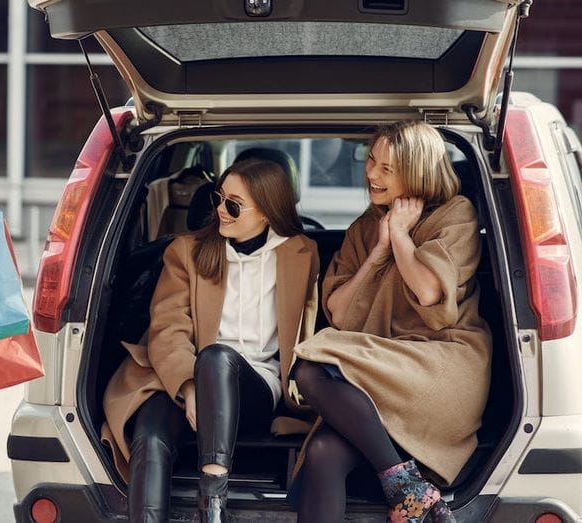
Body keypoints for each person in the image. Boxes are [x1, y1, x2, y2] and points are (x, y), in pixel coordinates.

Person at [289, 120, 491, 522]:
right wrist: (379, 250)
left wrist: (401, 235)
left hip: (440, 365)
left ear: (416, 170)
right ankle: (408, 487)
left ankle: (404, 485)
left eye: (386, 168)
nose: (371, 175)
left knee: (311, 370)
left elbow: (430, 291)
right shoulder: (365, 228)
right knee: (322, 452)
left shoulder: (456, 215)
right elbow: (342, 314)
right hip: (377, 371)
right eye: (371, 162)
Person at [101, 159, 320, 522]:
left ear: (266, 212)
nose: (220, 209)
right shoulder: (187, 251)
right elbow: (168, 328)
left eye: (233, 204)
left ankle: (212, 503)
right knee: (150, 435)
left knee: (218, 357)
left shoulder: (301, 254)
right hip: (184, 378)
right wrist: (189, 389)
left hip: (257, 385)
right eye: (220, 197)